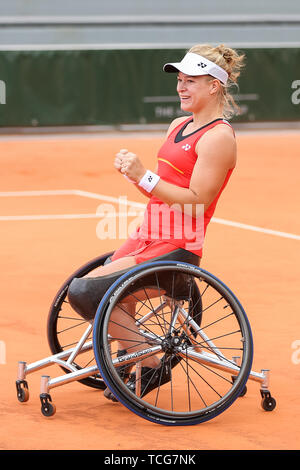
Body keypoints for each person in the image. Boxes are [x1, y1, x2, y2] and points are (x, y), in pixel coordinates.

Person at [68, 43, 245, 399]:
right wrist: (137, 178)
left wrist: (144, 176)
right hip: (146, 236)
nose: (181, 87)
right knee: (94, 289)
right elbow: (164, 190)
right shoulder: (177, 124)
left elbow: (198, 202)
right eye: (179, 80)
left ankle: (149, 363)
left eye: (190, 80)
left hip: (177, 248)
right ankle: (128, 362)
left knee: (86, 294)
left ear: (214, 85)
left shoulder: (219, 138)